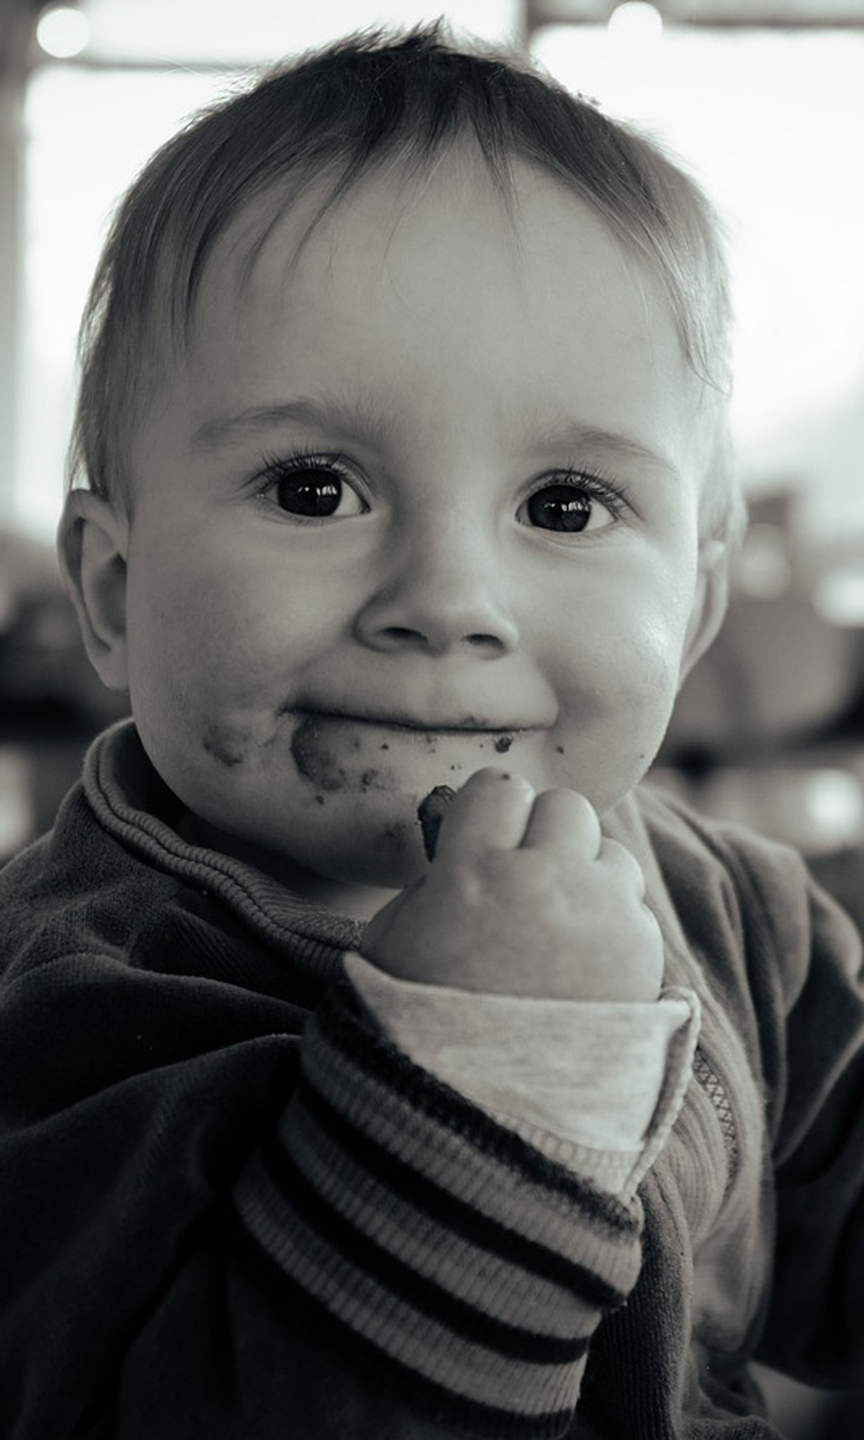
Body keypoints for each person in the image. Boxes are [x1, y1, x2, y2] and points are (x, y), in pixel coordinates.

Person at [1, 24, 862, 1440]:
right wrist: (485, 1073)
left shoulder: (737, 916)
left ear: (698, 603)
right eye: (314, 489)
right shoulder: (70, 1010)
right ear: (112, 589)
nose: (448, 602)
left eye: (566, 506)